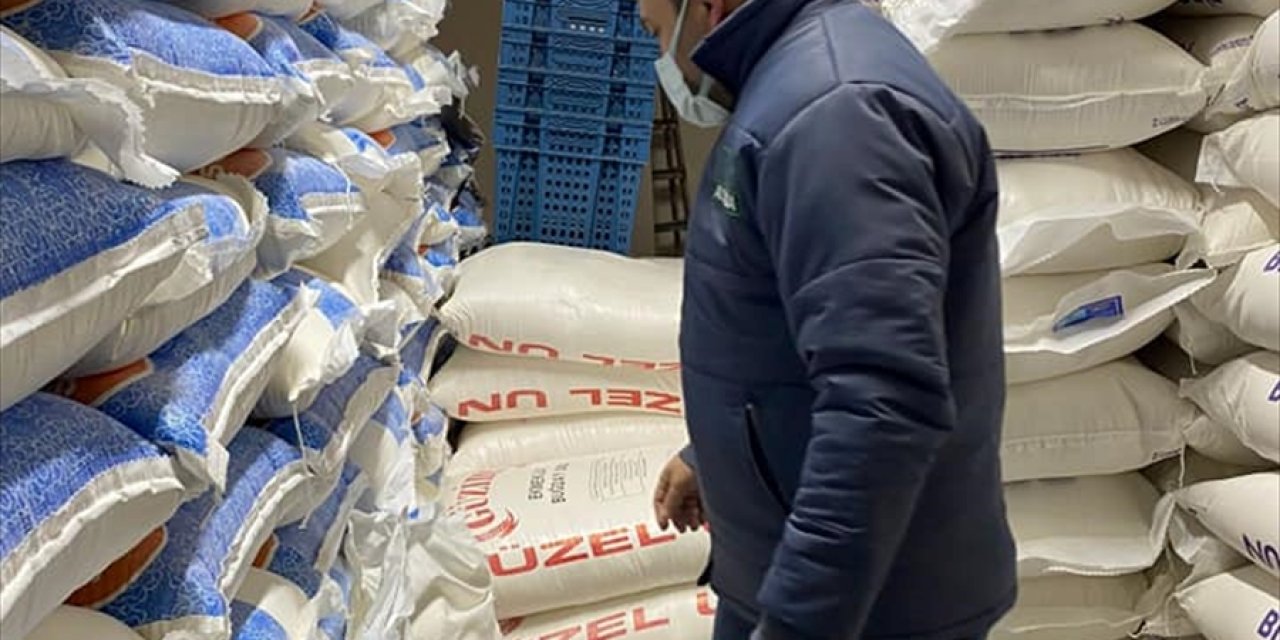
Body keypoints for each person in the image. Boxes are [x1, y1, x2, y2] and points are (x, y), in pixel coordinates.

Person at [641, 1, 1017, 638]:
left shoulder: (837, 113)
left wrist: (797, 624)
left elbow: (882, 405)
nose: (664, 57)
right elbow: (792, 324)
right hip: (801, 579)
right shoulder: (790, 91)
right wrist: (712, 454)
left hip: (871, 612)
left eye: (655, 30)